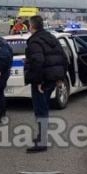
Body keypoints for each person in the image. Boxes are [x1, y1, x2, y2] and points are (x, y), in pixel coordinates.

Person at [24, 15, 68, 153]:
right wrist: (60, 77)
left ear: (32, 26)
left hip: (42, 81)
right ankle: (41, 136)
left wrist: (38, 81)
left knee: (40, 110)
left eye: (29, 25)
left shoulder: (35, 41)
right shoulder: (51, 37)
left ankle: (42, 142)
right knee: (44, 108)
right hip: (51, 79)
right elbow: (63, 57)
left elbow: (38, 61)